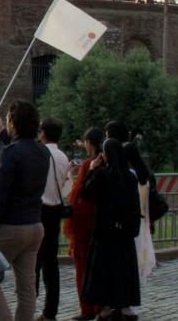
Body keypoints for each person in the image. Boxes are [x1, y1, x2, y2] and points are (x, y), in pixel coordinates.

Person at [0, 100, 50, 321]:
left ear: (14, 122)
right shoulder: (42, 151)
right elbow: (22, 149)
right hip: (34, 227)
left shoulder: (12, 153)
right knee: (27, 287)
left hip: (11, 227)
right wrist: (1, 130)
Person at [80, 138, 141, 320]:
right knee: (123, 270)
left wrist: (91, 170)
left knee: (103, 270)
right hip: (124, 232)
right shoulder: (129, 176)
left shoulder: (102, 175)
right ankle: (123, 305)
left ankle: (105, 306)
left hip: (104, 231)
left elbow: (85, 192)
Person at [62, 127, 104, 321]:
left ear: (89, 144)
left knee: (83, 266)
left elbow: (78, 193)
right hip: (100, 223)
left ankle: (86, 307)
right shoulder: (106, 163)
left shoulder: (89, 165)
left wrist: (70, 175)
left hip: (85, 223)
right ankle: (100, 305)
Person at [34, 117, 69, 321]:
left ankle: (28, 305)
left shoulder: (41, 154)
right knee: (51, 263)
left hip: (40, 210)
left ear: (43, 133)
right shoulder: (63, 157)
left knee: (33, 263)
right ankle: (50, 311)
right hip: (55, 210)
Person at [122, 142, 157, 310]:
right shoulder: (145, 176)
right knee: (138, 261)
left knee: (131, 262)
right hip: (142, 222)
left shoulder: (130, 175)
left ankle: (129, 305)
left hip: (132, 221)